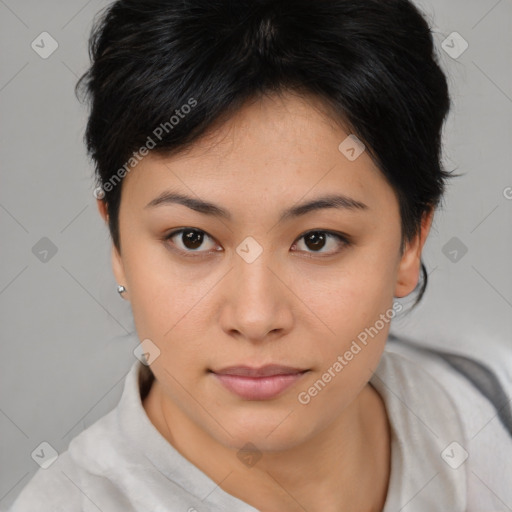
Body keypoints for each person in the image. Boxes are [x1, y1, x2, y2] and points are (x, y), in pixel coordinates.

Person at [7, 0, 512, 511]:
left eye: (318, 239)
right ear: (118, 244)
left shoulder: (487, 404)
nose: (254, 317)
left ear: (411, 243)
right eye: (191, 238)